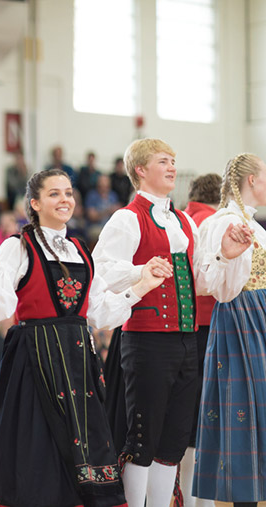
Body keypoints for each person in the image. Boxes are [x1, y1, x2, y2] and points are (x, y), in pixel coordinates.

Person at [0, 167, 170, 507]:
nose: (64, 200)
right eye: (54, 193)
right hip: (34, 360)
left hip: (77, 361)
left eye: (68, 193)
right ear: (35, 202)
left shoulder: (79, 249)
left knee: (86, 445)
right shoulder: (18, 247)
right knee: (37, 446)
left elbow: (100, 312)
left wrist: (141, 285)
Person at [92, 139, 250, 507]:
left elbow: (201, 280)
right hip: (146, 341)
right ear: (141, 170)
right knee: (143, 438)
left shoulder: (183, 222)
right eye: (164, 161)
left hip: (186, 340)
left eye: (174, 161)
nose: (173, 167)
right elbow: (102, 270)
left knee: (174, 440)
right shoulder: (128, 218)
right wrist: (140, 271)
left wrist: (224, 256)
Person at [193, 154, 266, 507]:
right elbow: (206, 283)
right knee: (244, 411)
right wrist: (224, 253)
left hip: (261, 318)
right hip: (240, 320)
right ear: (251, 180)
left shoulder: (258, 227)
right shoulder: (220, 222)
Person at [177, 174, 220, 507]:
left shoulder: (183, 218)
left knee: (187, 418)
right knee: (201, 420)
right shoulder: (213, 221)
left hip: (183, 326)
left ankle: (190, 499)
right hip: (206, 326)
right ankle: (198, 500)